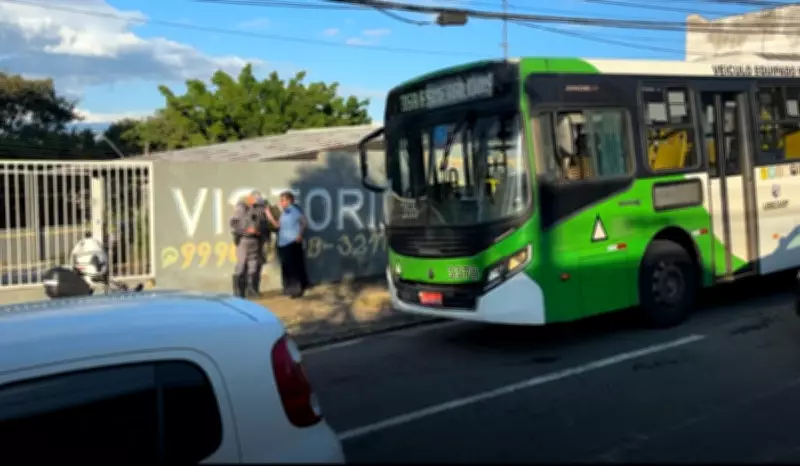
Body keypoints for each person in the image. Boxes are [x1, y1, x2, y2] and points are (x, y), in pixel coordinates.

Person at [230, 191, 270, 298]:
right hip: (244, 239)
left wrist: (259, 231)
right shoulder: (241, 208)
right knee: (241, 264)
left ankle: (252, 290)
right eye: (255, 200)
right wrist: (246, 230)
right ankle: (239, 292)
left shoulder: (259, 210)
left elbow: (264, 224)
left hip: (256, 240)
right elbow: (233, 224)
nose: (256, 204)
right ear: (249, 199)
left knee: (254, 265)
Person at [271, 191, 309, 298]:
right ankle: (287, 289)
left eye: (283, 200)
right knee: (286, 267)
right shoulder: (284, 212)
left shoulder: (294, 210)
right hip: (283, 243)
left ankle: (296, 290)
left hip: (292, 242)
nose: (281, 203)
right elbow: (278, 226)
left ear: (289, 200)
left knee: (293, 268)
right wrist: (269, 215)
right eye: (281, 201)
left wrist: (300, 234)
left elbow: (304, 222)